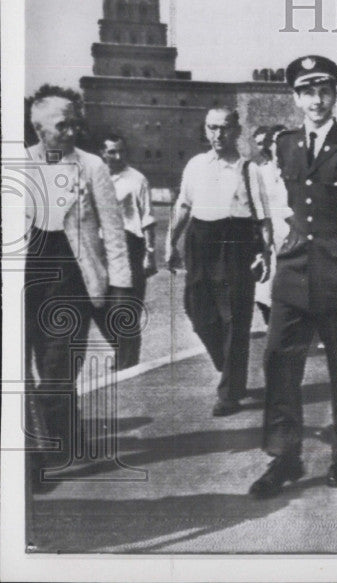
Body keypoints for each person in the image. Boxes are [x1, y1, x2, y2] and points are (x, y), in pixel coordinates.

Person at [250, 56, 337, 498]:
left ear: (336, 96)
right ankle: (284, 456)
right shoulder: (286, 145)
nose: (317, 100)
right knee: (279, 361)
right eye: (308, 92)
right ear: (295, 99)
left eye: (325, 91)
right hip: (292, 273)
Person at [24, 86, 133, 490]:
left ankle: (48, 449)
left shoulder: (91, 167)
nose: (70, 131)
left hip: (71, 280)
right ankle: (54, 444)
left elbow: (114, 230)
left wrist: (120, 288)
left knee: (56, 373)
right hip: (25, 280)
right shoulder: (18, 164)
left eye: (74, 122)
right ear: (39, 129)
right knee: (21, 375)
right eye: (61, 124)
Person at [167, 108, 272, 417]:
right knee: (197, 312)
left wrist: (265, 253)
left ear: (236, 130)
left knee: (235, 318)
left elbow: (263, 218)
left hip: (236, 242)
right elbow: (183, 205)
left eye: (224, 128)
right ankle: (229, 369)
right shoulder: (196, 165)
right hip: (200, 240)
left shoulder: (248, 169)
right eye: (212, 128)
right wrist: (170, 242)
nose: (218, 134)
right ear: (205, 129)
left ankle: (229, 392)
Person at [95, 133, 157, 370]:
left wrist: (150, 252)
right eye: (112, 152)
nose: (117, 156)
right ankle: (123, 351)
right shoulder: (94, 178)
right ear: (103, 153)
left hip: (129, 245)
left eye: (121, 151)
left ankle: (128, 363)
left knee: (125, 306)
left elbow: (147, 218)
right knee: (96, 303)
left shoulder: (136, 179)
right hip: (100, 248)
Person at [254, 125, 290, 327]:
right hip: (269, 237)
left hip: (293, 237)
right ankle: (272, 329)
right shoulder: (261, 173)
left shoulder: (300, 171)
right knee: (264, 291)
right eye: (277, 143)